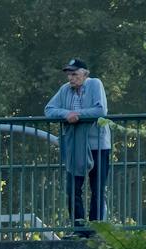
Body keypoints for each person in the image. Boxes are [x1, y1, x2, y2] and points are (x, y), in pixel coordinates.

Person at [45, 58, 111, 236]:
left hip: (98, 145)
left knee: (97, 188)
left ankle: (96, 229)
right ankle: (79, 229)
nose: (71, 78)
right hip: (75, 146)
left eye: (74, 74)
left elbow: (100, 111)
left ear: (85, 74)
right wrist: (67, 114)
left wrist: (78, 115)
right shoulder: (65, 90)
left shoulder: (95, 84)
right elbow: (49, 109)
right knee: (73, 189)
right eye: (69, 74)